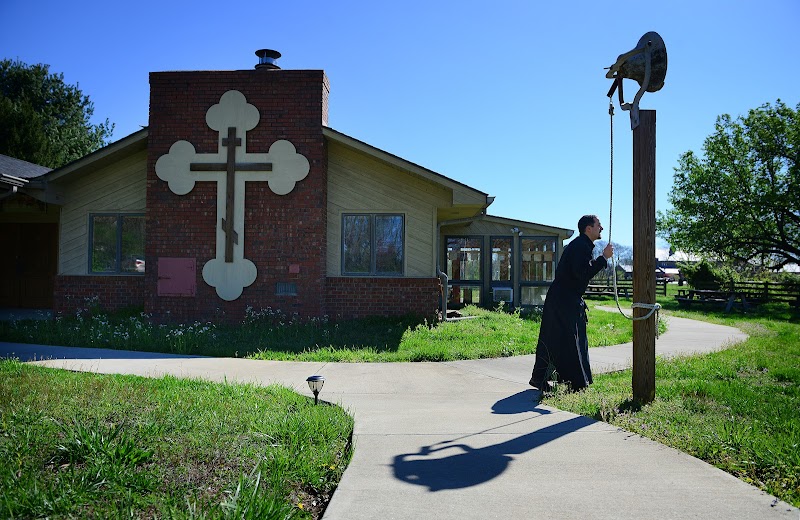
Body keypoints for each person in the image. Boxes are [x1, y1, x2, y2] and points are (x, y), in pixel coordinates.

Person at [529, 215, 613, 403]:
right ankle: (573, 383)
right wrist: (603, 258)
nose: (602, 228)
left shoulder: (582, 246)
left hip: (564, 299)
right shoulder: (580, 247)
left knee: (560, 339)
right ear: (588, 228)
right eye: (598, 225)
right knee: (566, 340)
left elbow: (580, 273)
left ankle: (551, 379)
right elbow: (581, 274)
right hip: (564, 300)